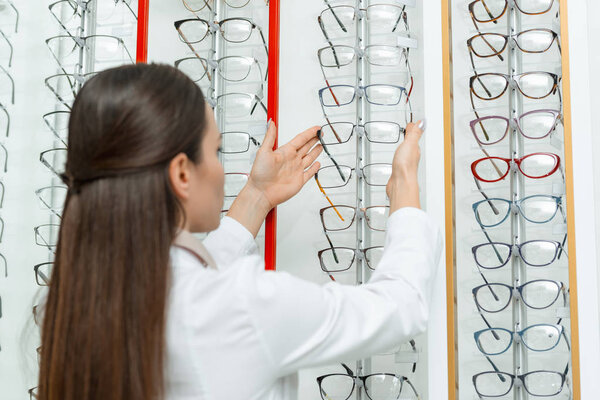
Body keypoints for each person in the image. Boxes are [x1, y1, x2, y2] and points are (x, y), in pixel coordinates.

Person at [37, 63, 442, 400]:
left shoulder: (74, 300)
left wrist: (257, 196)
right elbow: (400, 307)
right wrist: (405, 189)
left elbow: (190, 286)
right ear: (181, 172)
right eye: (215, 151)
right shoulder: (244, 307)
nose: (220, 168)